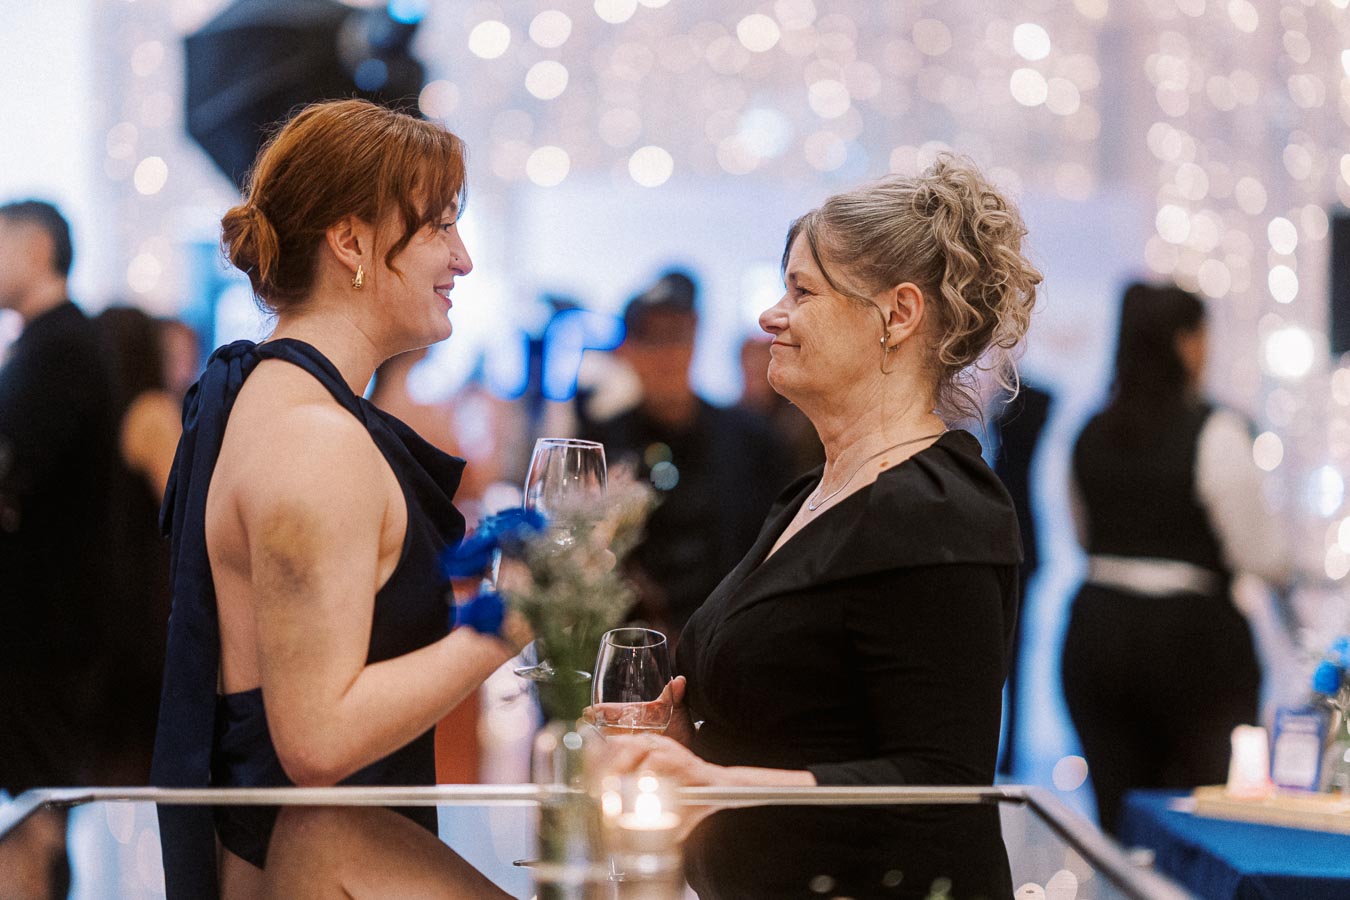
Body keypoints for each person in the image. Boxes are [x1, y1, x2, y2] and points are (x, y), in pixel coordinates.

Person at [150, 99, 529, 896]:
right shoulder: (314, 439)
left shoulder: (273, 398)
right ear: (351, 241)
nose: (463, 259)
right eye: (440, 226)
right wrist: (511, 620)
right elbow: (317, 739)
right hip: (315, 866)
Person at [603, 155, 1041, 832]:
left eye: (803, 293)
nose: (771, 316)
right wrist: (684, 742)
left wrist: (719, 784)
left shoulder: (937, 510)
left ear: (897, 315)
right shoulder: (813, 493)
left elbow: (941, 782)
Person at [1061, 282, 1290, 836]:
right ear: (1187, 345)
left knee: (1118, 824)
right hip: (1194, 647)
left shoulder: (1090, 430)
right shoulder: (1216, 431)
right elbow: (1260, 555)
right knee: (1199, 822)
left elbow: (1083, 534)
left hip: (1097, 634)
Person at [579, 270, 792, 640]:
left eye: (678, 336)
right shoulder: (601, 442)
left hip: (731, 640)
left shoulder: (752, 440)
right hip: (630, 644)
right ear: (626, 350)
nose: (667, 354)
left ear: (695, 340)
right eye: (652, 339)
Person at [0, 200, 120, 794]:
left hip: (48, 628)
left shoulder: (62, 345)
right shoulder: (46, 342)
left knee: (35, 805)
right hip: (45, 621)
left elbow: (15, 459)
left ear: (37, 250)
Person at [94, 305, 182, 783]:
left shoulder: (95, 412)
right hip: (148, 601)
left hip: (104, 596)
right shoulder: (151, 410)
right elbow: (182, 503)